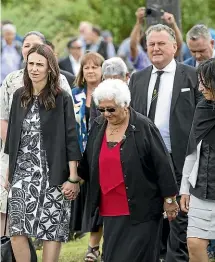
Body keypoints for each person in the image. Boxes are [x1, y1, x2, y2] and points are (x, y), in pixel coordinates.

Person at [77, 79, 179, 262]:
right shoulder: (99, 125)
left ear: (125, 105)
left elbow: (162, 165)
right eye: (102, 109)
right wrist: (73, 179)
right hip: (110, 208)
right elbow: (87, 162)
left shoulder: (143, 126)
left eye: (111, 109)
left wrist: (170, 199)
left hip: (142, 209)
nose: (106, 114)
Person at [129, 24, 201, 262]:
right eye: (151, 44)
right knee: (152, 218)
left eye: (161, 43)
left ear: (174, 47)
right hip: (145, 161)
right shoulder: (137, 79)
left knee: (179, 218)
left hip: (180, 158)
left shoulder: (191, 76)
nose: (156, 48)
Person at [4, 44, 81, 262]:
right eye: (31, 64)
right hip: (22, 174)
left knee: (51, 229)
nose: (35, 69)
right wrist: (10, 174)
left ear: (50, 68)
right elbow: (12, 137)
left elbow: (71, 138)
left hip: (54, 173)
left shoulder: (62, 98)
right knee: (17, 231)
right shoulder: (19, 96)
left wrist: (72, 177)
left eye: (40, 64)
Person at [180, 58, 215, 262]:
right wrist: (185, 187)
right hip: (202, 187)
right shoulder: (202, 109)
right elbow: (192, 151)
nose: (200, 87)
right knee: (194, 243)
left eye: (205, 82)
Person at [71, 52, 104, 262]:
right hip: (80, 157)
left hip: (104, 155)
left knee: (101, 201)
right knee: (87, 202)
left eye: (94, 67)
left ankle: (93, 248)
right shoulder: (74, 95)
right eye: (86, 67)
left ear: (102, 70)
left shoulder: (109, 92)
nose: (90, 71)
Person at [90, 56, 129, 127]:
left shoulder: (135, 94)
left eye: (116, 81)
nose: (111, 86)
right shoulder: (97, 96)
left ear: (126, 77)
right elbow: (93, 126)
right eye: (108, 81)